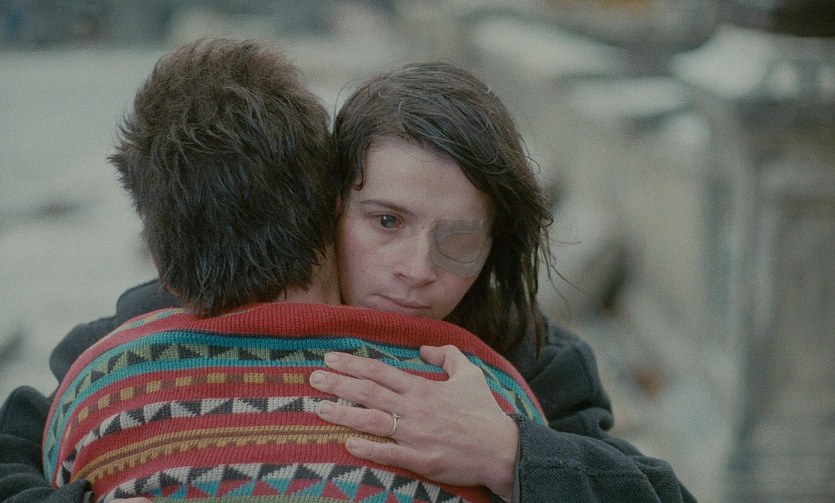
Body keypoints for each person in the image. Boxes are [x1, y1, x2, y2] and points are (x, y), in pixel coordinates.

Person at [0, 58, 697, 502]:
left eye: (459, 239)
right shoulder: (153, 327)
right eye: (386, 221)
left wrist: (511, 453)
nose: (417, 269)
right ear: (325, 204)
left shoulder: (530, 359)